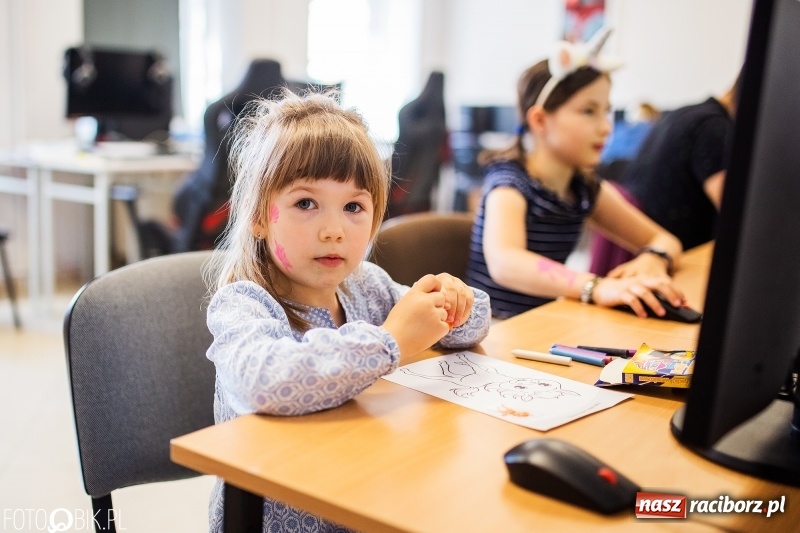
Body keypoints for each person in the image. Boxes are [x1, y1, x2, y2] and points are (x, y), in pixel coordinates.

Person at [203, 90, 491, 532]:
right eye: (305, 204)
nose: (334, 230)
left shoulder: (365, 286)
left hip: (364, 495)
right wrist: (392, 341)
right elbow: (262, 382)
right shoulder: (244, 303)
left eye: (354, 207)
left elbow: (466, 329)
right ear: (259, 217)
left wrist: (454, 301)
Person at [465, 28, 684, 320]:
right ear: (540, 119)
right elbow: (506, 262)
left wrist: (653, 259)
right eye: (588, 111)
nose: (606, 127)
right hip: (494, 328)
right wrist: (595, 286)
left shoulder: (584, 188)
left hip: (545, 324)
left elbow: (664, 240)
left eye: (606, 111)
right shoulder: (509, 184)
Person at [619, 76, 739, 251]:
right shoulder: (714, 127)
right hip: (667, 251)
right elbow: (736, 212)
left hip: (645, 244)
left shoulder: (685, 113)